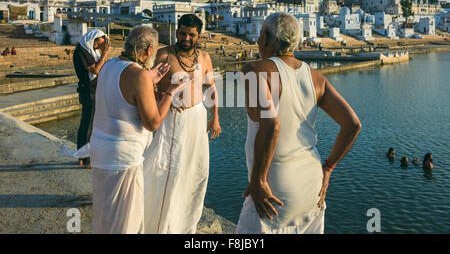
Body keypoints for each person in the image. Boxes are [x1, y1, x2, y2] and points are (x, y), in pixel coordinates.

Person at [236, 13, 362, 234]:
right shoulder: (316, 78)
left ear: (264, 37)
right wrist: (328, 168)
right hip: (312, 183)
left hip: (275, 184)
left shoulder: (255, 71)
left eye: (259, 37)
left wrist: (258, 180)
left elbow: (272, 126)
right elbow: (352, 124)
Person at [90, 25, 177, 234]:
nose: (154, 57)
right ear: (148, 50)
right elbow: (153, 122)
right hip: (123, 159)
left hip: (100, 152)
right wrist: (170, 92)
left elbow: (120, 96)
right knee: (126, 222)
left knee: (105, 215)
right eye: (154, 53)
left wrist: (148, 80)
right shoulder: (139, 75)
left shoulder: (110, 65)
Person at [143, 14, 222, 234]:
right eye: (182, 33)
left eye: (191, 34)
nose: (186, 37)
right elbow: (146, 85)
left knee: (197, 169)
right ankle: (162, 220)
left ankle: (187, 223)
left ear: (199, 35)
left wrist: (215, 117)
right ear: (177, 32)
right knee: (170, 170)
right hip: (172, 119)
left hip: (197, 117)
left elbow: (212, 88)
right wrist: (161, 100)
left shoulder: (205, 57)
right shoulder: (164, 55)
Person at [73, 29, 110, 168]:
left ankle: (81, 157)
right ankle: (86, 159)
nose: (98, 47)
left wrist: (102, 52)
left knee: (87, 124)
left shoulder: (88, 51)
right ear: (92, 40)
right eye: (98, 44)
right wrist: (104, 53)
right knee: (89, 126)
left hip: (92, 91)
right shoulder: (83, 51)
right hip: (88, 92)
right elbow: (95, 70)